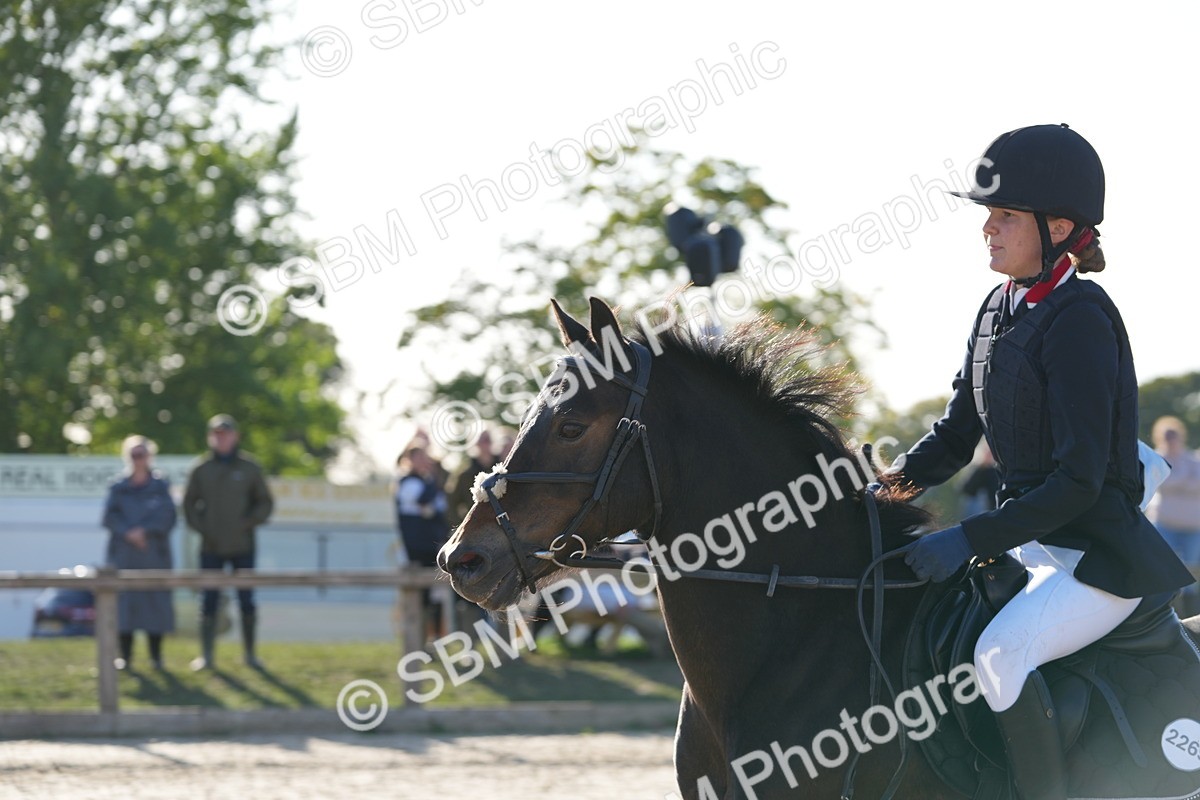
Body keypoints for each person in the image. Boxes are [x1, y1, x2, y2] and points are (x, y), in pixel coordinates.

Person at [890, 124, 1192, 800]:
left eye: (1004, 215)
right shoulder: (995, 310)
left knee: (1000, 657)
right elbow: (954, 436)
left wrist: (969, 536)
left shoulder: (1081, 317)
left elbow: (1081, 481)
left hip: (1099, 558)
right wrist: (881, 488)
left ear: (1059, 226)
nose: (988, 229)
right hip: (1033, 551)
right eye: (988, 216)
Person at [182, 414, 274, 670]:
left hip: (243, 546)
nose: (221, 438)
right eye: (216, 434)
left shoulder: (249, 468)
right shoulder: (201, 469)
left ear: (235, 436)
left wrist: (247, 523)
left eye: (226, 433)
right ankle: (207, 657)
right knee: (208, 600)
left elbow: (265, 503)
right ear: (211, 437)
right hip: (211, 547)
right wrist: (204, 528)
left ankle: (250, 655)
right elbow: (189, 505)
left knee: (247, 599)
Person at [101, 435, 177, 671]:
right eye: (133, 455)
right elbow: (108, 517)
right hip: (125, 557)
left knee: (155, 606)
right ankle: (126, 658)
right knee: (125, 608)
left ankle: (156, 657)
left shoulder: (161, 486)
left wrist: (145, 531)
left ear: (149, 457)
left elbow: (168, 517)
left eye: (141, 454)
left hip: (154, 557)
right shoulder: (118, 487)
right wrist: (128, 533)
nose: (138, 459)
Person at [395, 444, 450, 639]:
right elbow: (422, 502)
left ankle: (435, 638)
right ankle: (417, 640)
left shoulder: (426, 482)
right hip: (417, 550)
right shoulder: (408, 482)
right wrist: (433, 479)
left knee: (436, 596)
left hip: (433, 547)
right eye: (418, 458)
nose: (423, 462)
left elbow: (438, 513)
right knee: (419, 596)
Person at [1146, 416, 1200, 614]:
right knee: (1165, 570)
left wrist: (1175, 480)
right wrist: (1184, 481)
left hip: (1192, 527)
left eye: (1174, 435)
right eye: (1167, 435)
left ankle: (1191, 618)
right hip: (1164, 523)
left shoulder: (1192, 459)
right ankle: (1167, 616)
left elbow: (1196, 484)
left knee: (1191, 573)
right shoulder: (1155, 458)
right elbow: (1160, 483)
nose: (1171, 439)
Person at [446, 429, 496, 529]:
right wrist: (462, 526)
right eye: (482, 440)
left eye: (488, 440)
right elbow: (452, 503)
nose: (485, 444)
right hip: (476, 528)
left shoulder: (502, 469)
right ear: (475, 443)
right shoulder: (465, 474)